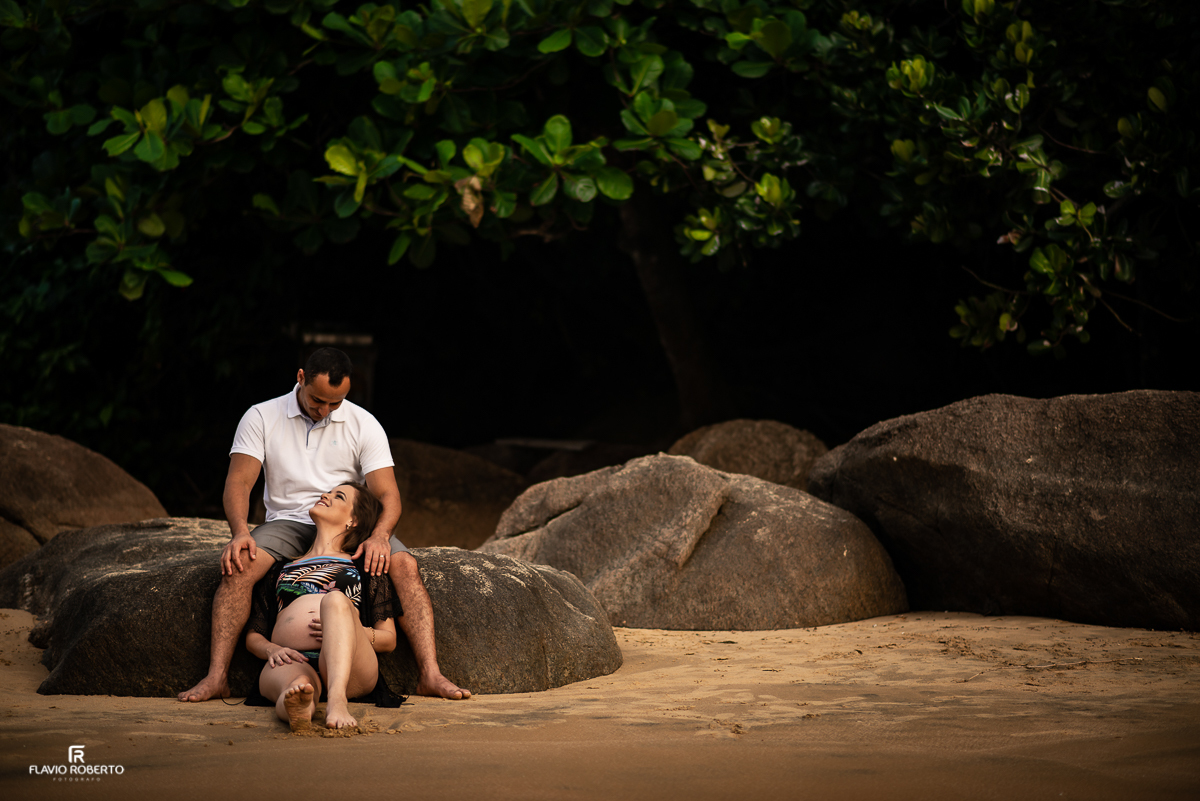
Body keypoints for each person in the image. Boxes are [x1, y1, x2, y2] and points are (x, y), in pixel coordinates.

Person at [178, 347, 470, 702]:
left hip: (345, 521)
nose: (326, 411)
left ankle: (430, 674)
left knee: (405, 564)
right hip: (287, 521)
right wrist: (240, 531)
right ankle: (217, 677)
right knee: (239, 567)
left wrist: (379, 535)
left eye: (336, 403)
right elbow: (239, 482)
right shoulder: (261, 416)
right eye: (318, 400)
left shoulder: (364, 423)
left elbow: (388, 496)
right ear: (300, 378)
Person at [248, 482, 395, 731]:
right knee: (296, 685)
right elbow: (253, 635)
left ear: (354, 520)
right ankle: (299, 706)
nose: (325, 496)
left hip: (351, 664)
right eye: (327, 492)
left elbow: (389, 639)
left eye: (338, 496)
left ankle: (337, 701)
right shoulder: (279, 568)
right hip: (294, 658)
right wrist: (271, 649)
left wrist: (348, 629)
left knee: (335, 599)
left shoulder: (365, 568)